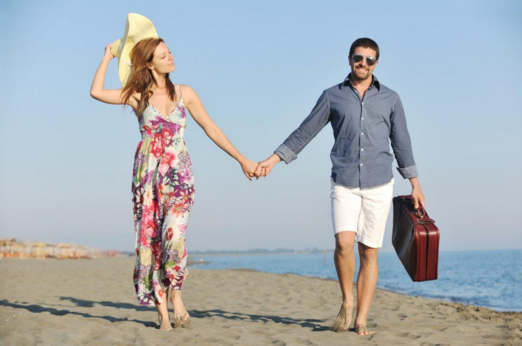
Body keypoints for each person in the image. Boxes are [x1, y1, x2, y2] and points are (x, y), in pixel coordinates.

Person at [255, 38, 425, 336]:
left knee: (369, 252)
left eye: (369, 59)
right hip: (344, 181)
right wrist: (273, 160)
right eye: (358, 58)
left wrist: (415, 184)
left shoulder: (391, 99)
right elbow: (304, 131)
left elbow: (402, 143)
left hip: (379, 183)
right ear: (349, 59)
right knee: (344, 244)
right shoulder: (332, 96)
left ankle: (361, 319)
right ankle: (347, 301)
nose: (363, 63)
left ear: (377, 64)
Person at [90, 37, 258, 331]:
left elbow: (211, 128)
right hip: (147, 178)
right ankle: (163, 315)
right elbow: (96, 92)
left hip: (179, 176)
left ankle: (177, 297)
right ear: (148, 63)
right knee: (151, 244)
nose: (170, 58)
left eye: (169, 53)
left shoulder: (185, 92)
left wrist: (241, 159)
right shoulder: (137, 95)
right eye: (163, 55)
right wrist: (107, 56)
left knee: (173, 238)